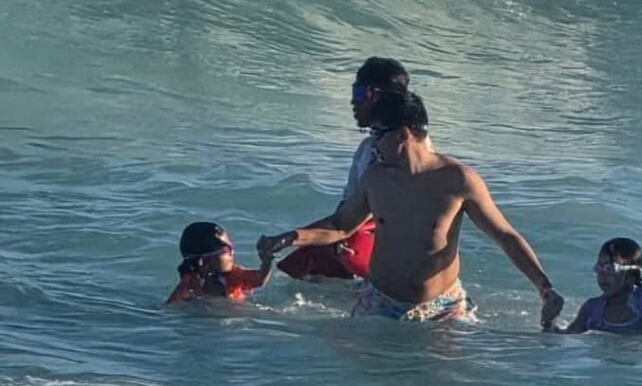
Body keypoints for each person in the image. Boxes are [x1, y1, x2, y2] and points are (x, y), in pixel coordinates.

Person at [258, 89, 564, 326]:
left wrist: (544, 288)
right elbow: (341, 225)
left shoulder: (457, 180)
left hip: (443, 308)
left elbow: (505, 237)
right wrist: (290, 238)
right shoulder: (375, 178)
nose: (373, 144)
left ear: (403, 134)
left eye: (377, 135)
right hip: (380, 302)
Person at [277, 56, 411, 281]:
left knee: (345, 247)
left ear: (374, 95)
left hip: (390, 243)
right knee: (297, 265)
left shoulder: (405, 152)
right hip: (355, 229)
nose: (352, 102)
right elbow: (345, 212)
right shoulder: (367, 148)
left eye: (357, 93)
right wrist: (292, 237)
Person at [165, 221, 272, 304]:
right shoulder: (189, 285)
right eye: (226, 250)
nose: (233, 252)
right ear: (204, 261)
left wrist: (267, 260)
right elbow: (170, 308)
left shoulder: (233, 275)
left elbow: (259, 280)